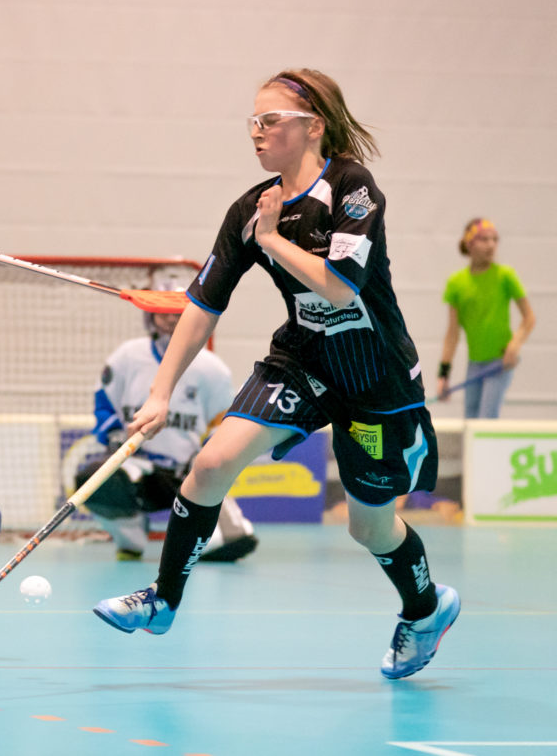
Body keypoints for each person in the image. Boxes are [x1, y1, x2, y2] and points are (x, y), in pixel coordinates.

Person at [93, 69, 460, 680]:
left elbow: (340, 288)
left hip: (377, 381)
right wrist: (160, 393)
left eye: (270, 121)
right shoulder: (248, 208)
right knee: (210, 464)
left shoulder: (352, 188)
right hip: (302, 362)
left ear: (312, 125)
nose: (257, 133)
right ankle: (163, 600)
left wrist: (272, 238)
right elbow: (203, 304)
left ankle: (425, 608)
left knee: (367, 526)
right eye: (253, 122)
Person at [80, 302, 257, 562]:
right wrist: (114, 435)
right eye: (162, 312)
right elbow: (103, 402)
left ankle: (194, 534)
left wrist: (209, 455)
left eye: (177, 313)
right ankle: (131, 538)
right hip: (136, 468)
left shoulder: (212, 368)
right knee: (96, 478)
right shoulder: (127, 357)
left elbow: (224, 421)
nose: (170, 319)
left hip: (186, 472)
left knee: (235, 540)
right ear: (150, 316)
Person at [436, 218, 536, 418]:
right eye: (484, 239)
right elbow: (452, 334)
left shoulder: (505, 275)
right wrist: (443, 373)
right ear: (469, 244)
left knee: (486, 419)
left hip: (500, 361)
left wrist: (514, 345)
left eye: (495, 239)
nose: (491, 245)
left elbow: (529, 318)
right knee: (470, 421)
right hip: (475, 363)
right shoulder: (456, 283)